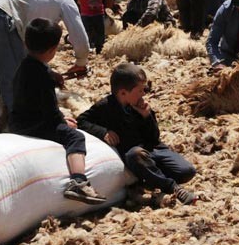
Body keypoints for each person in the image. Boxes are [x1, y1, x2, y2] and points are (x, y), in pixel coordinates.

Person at [10, 18, 107, 205]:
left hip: (18, 121)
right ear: (52, 50)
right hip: (36, 125)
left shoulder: (23, 67)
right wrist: (63, 122)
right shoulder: (43, 76)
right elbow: (50, 112)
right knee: (76, 137)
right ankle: (78, 181)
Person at [78, 63, 198, 205]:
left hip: (153, 149)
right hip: (134, 155)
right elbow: (82, 120)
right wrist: (104, 132)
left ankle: (152, 178)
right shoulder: (105, 107)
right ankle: (174, 188)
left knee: (187, 171)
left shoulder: (139, 106)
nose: (143, 94)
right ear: (123, 93)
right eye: (140, 90)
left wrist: (147, 116)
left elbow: (154, 137)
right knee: (135, 155)